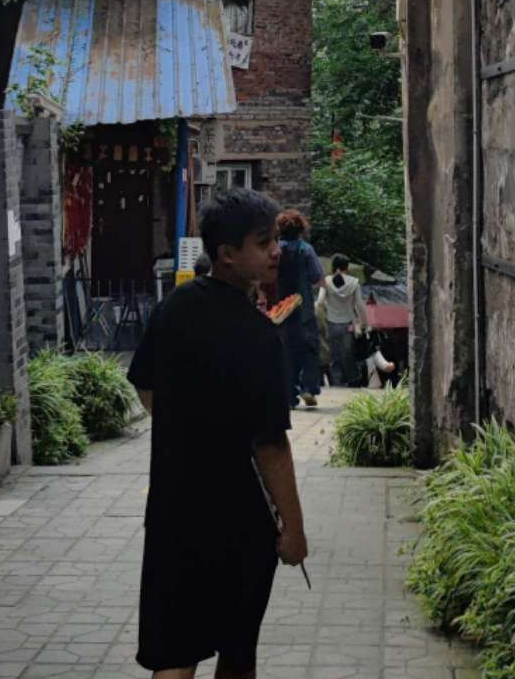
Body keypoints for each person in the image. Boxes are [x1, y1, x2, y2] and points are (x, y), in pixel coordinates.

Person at [127, 187, 308, 679]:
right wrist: (294, 529)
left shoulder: (174, 307)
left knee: (174, 652)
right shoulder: (259, 334)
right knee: (237, 650)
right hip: (239, 517)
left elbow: (145, 386)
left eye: (275, 240)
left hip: (173, 509)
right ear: (227, 254)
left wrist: (186, 426)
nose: (276, 251)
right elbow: (271, 444)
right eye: (263, 243)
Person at [276, 209, 325, 408]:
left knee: (285, 351)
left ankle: (288, 396)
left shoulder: (275, 250)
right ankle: (308, 388)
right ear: (300, 229)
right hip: (303, 308)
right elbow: (317, 277)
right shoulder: (306, 250)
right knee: (309, 348)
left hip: (280, 310)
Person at [315, 254, 369, 387]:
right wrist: (364, 323)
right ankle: (353, 381)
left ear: (333, 266)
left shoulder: (326, 281)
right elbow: (360, 305)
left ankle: (337, 385)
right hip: (348, 325)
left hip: (331, 324)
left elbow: (320, 302)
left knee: (334, 357)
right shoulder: (354, 282)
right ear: (346, 267)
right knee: (348, 355)